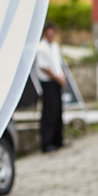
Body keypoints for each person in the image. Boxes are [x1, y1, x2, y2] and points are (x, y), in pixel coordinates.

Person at [34, 22, 66, 152]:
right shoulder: (41, 47)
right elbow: (44, 67)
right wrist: (57, 77)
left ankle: (58, 140)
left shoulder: (55, 47)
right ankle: (47, 143)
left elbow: (58, 64)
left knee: (58, 111)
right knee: (49, 113)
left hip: (57, 82)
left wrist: (62, 77)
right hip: (48, 83)